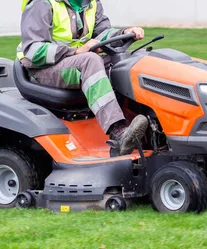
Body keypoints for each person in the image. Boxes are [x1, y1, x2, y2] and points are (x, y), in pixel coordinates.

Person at [18, 0, 147, 156]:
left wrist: (125, 32)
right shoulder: (42, 3)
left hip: (74, 61)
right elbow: (34, 50)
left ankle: (147, 126)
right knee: (90, 60)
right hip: (43, 69)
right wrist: (76, 51)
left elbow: (102, 34)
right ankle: (118, 132)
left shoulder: (90, 3)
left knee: (131, 61)